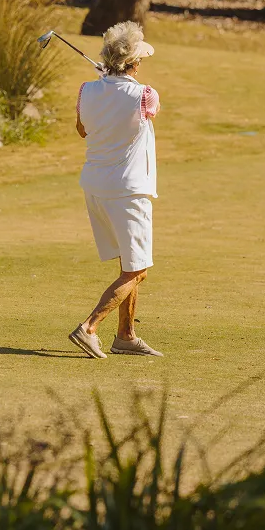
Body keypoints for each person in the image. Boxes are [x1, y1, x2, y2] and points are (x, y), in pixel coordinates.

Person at [69, 21, 163, 360]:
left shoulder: (86, 91)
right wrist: (115, 83)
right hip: (128, 191)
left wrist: (105, 84)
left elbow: (82, 130)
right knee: (137, 270)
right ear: (133, 64)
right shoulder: (145, 94)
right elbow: (147, 110)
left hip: (95, 187)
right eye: (140, 60)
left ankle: (125, 335)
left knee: (129, 261)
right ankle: (90, 327)